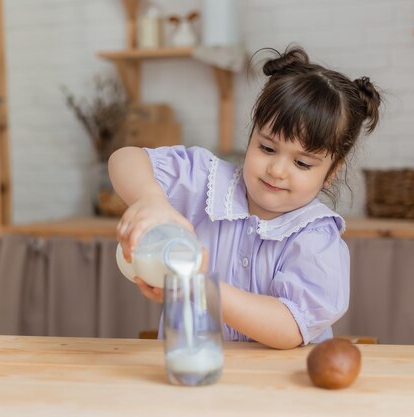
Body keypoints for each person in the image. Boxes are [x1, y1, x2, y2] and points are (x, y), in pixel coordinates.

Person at [109, 46, 382, 349]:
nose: (277, 170)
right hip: (190, 373)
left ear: (331, 172)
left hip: (277, 388)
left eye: (302, 163)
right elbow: (125, 158)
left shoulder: (316, 238)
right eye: (267, 148)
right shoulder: (207, 182)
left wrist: (201, 287)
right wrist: (151, 199)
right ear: (252, 134)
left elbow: (290, 327)